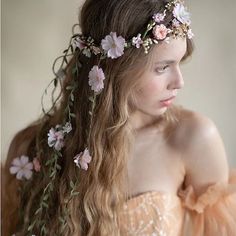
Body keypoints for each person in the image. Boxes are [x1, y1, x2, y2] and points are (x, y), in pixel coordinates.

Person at [2, 0, 236, 235]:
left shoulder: (193, 137)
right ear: (117, 67)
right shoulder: (31, 149)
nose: (179, 82)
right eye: (162, 68)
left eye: (179, 63)